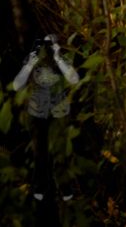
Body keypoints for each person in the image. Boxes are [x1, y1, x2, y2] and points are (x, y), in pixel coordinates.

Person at [13, 35, 81, 203]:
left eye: (49, 43)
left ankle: (65, 188)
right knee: (40, 153)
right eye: (43, 43)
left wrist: (58, 58)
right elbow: (16, 85)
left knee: (60, 153)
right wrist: (29, 63)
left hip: (58, 112)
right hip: (37, 112)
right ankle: (40, 187)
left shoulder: (61, 59)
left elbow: (74, 80)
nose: (46, 48)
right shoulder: (32, 60)